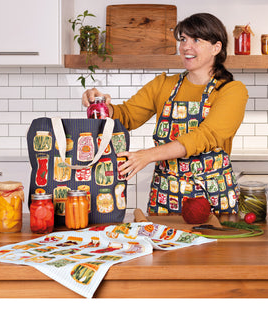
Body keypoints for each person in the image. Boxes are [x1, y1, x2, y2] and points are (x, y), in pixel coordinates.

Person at [82, 12, 248, 215]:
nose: (186, 46)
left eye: (196, 39)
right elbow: (127, 115)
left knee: (214, 247)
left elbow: (205, 136)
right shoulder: (164, 85)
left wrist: (147, 155)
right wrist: (101, 106)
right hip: (166, 195)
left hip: (212, 197)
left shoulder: (232, 90)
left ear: (216, 47)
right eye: (183, 39)